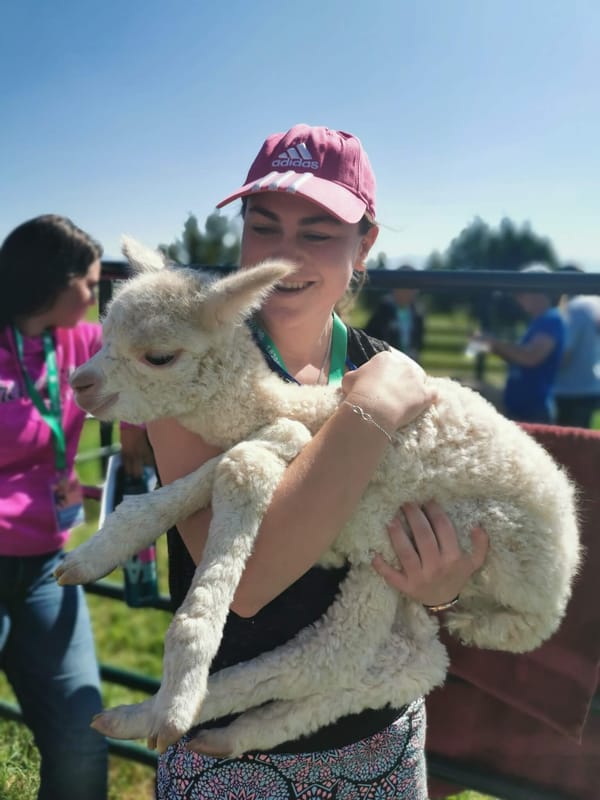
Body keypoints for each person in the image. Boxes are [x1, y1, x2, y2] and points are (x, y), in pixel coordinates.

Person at [148, 124, 489, 800]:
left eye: (317, 233)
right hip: (226, 737)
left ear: (365, 245)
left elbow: (440, 550)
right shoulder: (183, 361)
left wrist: (442, 586)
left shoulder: (389, 371)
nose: (281, 255)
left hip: (379, 734)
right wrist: (370, 415)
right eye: (263, 226)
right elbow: (242, 583)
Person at [0, 214, 150, 800]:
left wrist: (136, 438)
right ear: (51, 284)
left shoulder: (82, 341)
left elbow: (144, 365)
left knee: (81, 742)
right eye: (90, 283)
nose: (98, 294)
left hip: (45, 567)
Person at [472, 264, 566, 424]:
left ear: (538, 291)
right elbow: (520, 358)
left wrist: (493, 343)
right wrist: (490, 346)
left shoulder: (551, 320)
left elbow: (531, 357)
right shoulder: (539, 321)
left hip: (534, 411)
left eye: (521, 292)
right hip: (524, 409)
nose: (518, 298)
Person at [553, 264, 600, 428]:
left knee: (566, 448)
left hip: (570, 389)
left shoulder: (574, 309)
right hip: (590, 385)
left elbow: (565, 355)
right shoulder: (595, 303)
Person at [365, 264, 425, 362]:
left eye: (412, 288)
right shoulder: (384, 309)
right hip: (386, 363)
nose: (410, 292)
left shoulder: (418, 312)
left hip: (409, 363)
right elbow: (371, 336)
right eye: (405, 287)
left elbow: (418, 342)